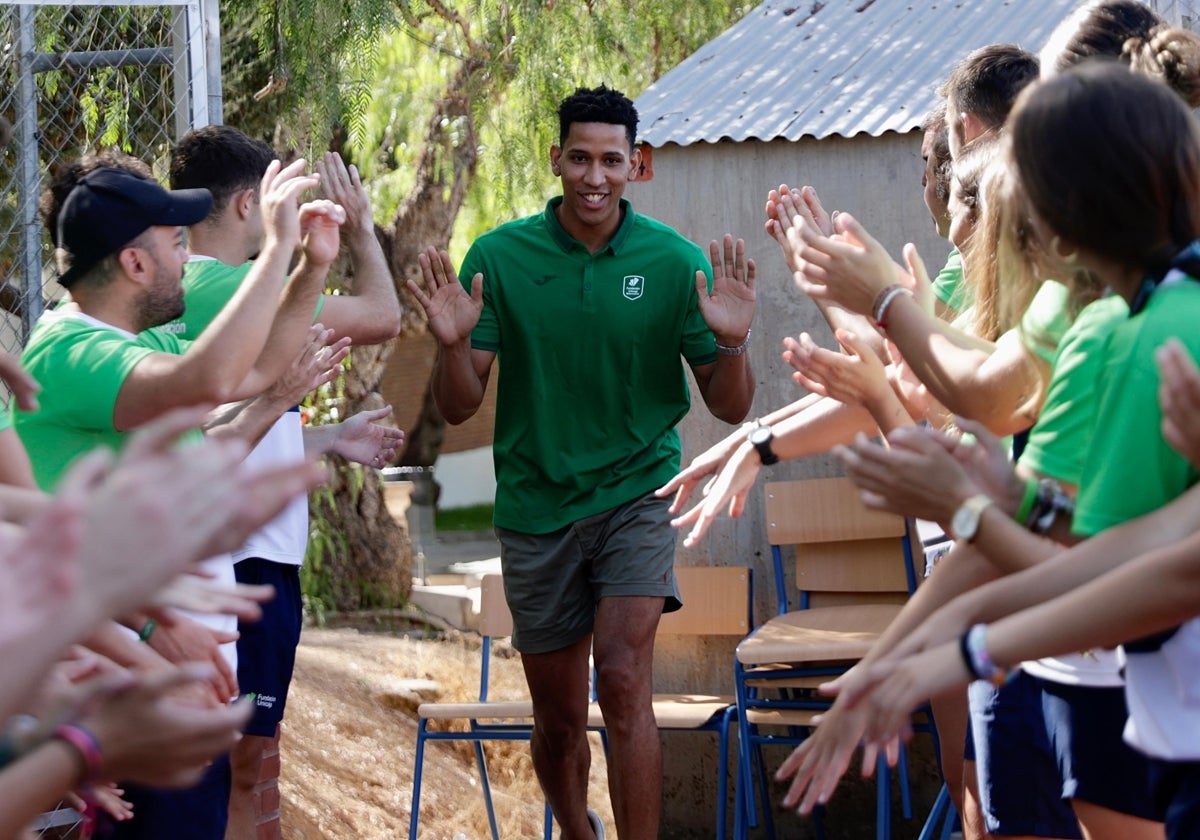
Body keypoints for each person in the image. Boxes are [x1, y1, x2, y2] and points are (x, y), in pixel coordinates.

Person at [408, 85, 755, 840]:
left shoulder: (674, 263)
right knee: (559, 718)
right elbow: (461, 405)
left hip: (638, 493)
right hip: (537, 506)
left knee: (625, 680)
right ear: (556, 160)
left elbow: (730, 407)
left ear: (639, 164)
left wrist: (730, 340)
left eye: (611, 160)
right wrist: (450, 345)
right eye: (580, 158)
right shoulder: (499, 258)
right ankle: (575, 826)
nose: (595, 176)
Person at [15, 159, 341, 840]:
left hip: (172, 675)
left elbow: (252, 369)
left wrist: (310, 267)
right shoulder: (72, 349)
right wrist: (276, 246)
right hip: (130, 675)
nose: (187, 257)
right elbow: (210, 379)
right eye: (176, 243)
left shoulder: (134, 342)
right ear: (135, 264)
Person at [167, 125, 403, 840]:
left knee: (251, 766)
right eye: (281, 196)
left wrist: (328, 438)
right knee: (247, 766)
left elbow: (230, 420)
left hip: (253, 554)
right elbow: (384, 316)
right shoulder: (228, 286)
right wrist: (361, 233)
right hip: (239, 561)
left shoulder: (211, 293)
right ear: (249, 205)